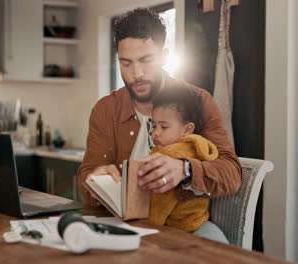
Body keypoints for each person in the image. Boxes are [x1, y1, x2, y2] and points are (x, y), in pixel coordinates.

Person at [77, 7, 241, 243]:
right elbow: (85, 175)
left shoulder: (199, 101)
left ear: (164, 56)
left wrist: (184, 170)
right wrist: (94, 180)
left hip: (186, 227)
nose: (137, 74)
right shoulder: (105, 110)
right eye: (126, 63)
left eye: (147, 61)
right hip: (121, 224)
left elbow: (231, 173)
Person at [147, 86, 218, 233]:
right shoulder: (176, 148)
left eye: (164, 127)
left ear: (187, 130)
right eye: (153, 126)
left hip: (178, 226)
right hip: (198, 219)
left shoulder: (172, 154)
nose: (155, 133)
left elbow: (162, 200)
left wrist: (150, 226)